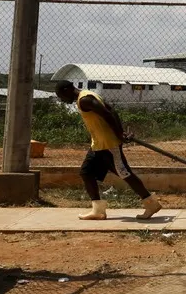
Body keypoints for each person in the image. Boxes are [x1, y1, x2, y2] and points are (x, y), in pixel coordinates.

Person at [54, 80, 162, 220]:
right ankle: (98, 211)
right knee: (86, 173)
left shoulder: (85, 99)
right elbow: (111, 110)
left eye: (61, 96)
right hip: (98, 145)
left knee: (125, 174)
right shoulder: (87, 96)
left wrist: (119, 134)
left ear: (66, 90)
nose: (62, 99)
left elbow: (107, 114)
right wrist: (120, 132)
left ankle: (151, 203)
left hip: (108, 145)